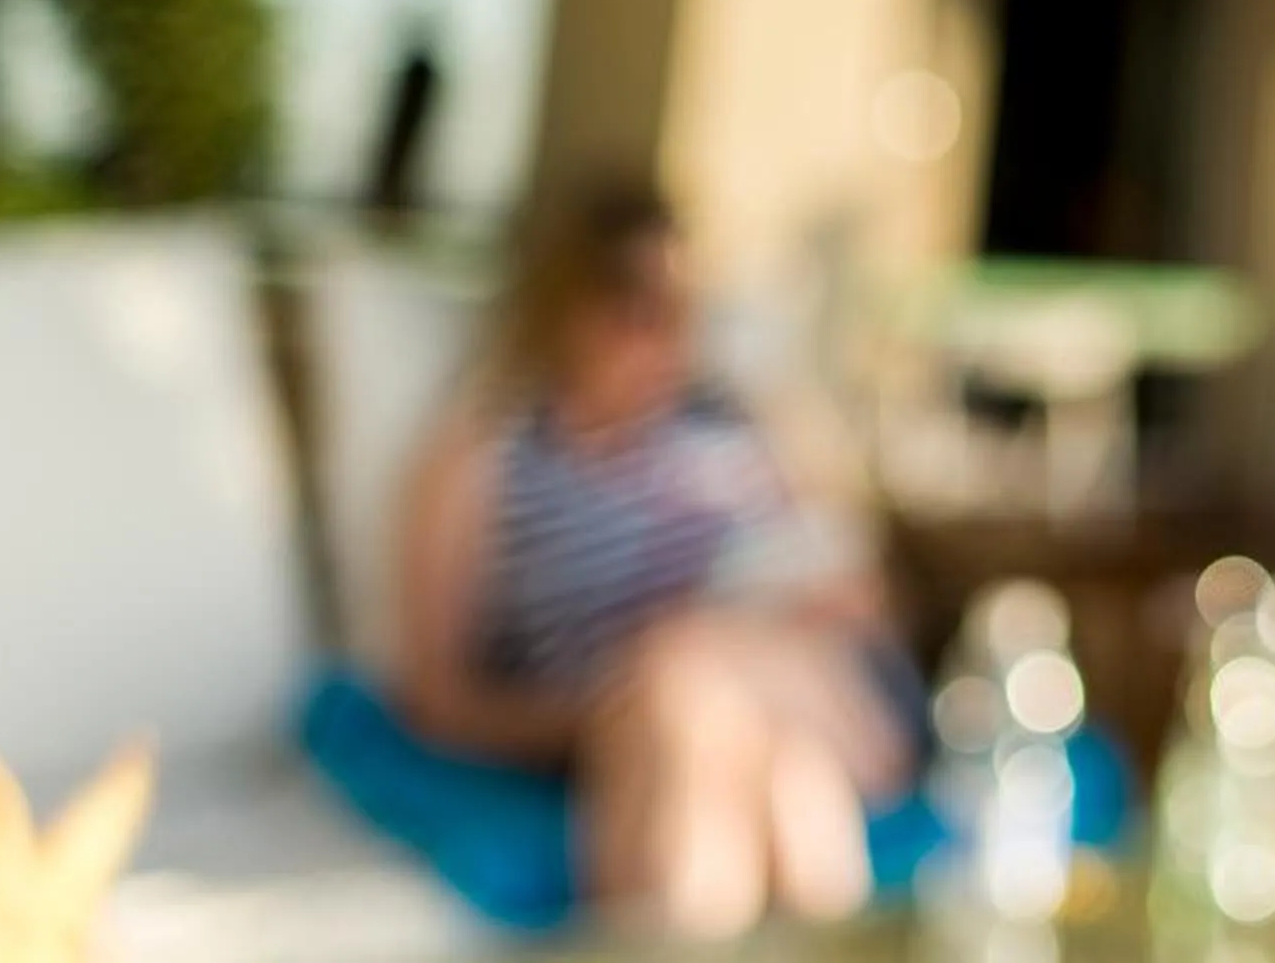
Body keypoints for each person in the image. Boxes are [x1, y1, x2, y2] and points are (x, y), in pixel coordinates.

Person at [392, 182, 915, 937]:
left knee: (686, 673)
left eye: (686, 307)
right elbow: (439, 700)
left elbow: (862, 598)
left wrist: (670, 665)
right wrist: (616, 701)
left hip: (822, 688)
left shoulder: (746, 419)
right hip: (662, 725)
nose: (668, 335)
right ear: (563, 307)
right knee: (776, 774)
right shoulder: (484, 459)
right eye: (635, 305)